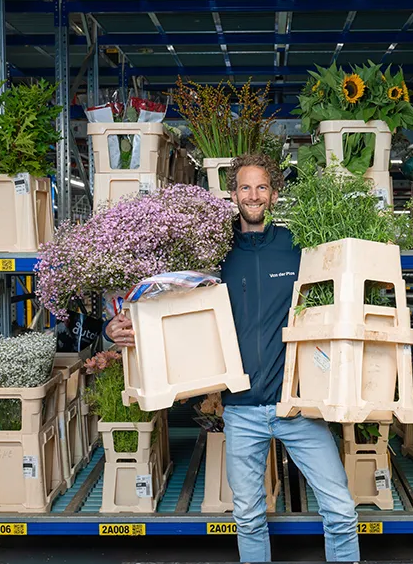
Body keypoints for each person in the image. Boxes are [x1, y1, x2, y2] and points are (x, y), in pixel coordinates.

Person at [106, 153, 360, 563]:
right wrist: (114, 326)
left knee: (341, 510)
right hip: (241, 409)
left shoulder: (299, 248)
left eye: (261, 187)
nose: (253, 195)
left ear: (274, 195)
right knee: (247, 516)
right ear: (232, 194)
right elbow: (161, 304)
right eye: (245, 187)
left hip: (296, 404)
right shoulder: (212, 252)